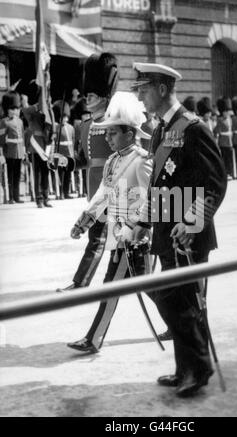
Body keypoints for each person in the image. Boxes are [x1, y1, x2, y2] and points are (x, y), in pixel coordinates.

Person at [131, 62, 227, 398]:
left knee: (180, 300)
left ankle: (198, 368)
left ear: (160, 89)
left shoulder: (193, 127)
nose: (140, 96)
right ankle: (185, 368)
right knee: (174, 299)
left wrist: (192, 221)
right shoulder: (160, 129)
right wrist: (143, 224)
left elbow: (215, 183)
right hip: (165, 233)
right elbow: (160, 185)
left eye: (143, 89)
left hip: (189, 235)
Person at [67, 91, 153, 353]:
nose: (108, 137)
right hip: (120, 236)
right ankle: (180, 316)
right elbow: (104, 193)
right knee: (149, 286)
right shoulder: (113, 161)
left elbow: (153, 197)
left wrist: (141, 228)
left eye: (113, 133)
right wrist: (86, 219)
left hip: (133, 238)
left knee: (111, 288)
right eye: (107, 133)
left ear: (130, 133)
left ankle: (93, 339)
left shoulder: (141, 161)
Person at [56, 52, 119, 292]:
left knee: (101, 238)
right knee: (101, 236)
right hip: (94, 189)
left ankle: (81, 282)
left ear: (104, 94)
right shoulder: (85, 126)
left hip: (113, 187)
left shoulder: (115, 122)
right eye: (87, 92)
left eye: (92, 93)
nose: (87, 96)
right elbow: (84, 159)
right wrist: (66, 163)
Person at [22, 81, 53, 208]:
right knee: (37, 174)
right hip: (36, 147)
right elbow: (25, 110)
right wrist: (38, 105)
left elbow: (51, 127)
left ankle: (46, 197)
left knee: (45, 173)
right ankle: (38, 199)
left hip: (45, 145)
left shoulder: (48, 111)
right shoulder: (33, 110)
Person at [0, 91, 26, 204]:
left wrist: (23, 150)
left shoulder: (20, 121)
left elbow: (23, 137)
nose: (14, 111)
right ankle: (10, 197)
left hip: (19, 151)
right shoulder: (3, 122)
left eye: (15, 109)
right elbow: (1, 139)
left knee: (17, 175)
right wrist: (1, 153)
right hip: (9, 151)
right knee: (9, 175)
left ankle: (16, 196)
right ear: (7, 110)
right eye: (12, 109)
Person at [52, 100, 75, 199]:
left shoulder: (71, 128)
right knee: (60, 174)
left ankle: (66, 192)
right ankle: (60, 193)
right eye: (63, 117)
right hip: (60, 154)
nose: (65, 119)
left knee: (68, 174)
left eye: (66, 117)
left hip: (69, 153)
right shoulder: (56, 128)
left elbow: (73, 141)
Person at [214, 97, 234, 179]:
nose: (226, 113)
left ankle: (230, 172)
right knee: (224, 159)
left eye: (227, 111)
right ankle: (225, 174)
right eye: (225, 111)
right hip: (223, 142)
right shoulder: (220, 120)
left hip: (229, 142)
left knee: (229, 159)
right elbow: (217, 131)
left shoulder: (230, 119)